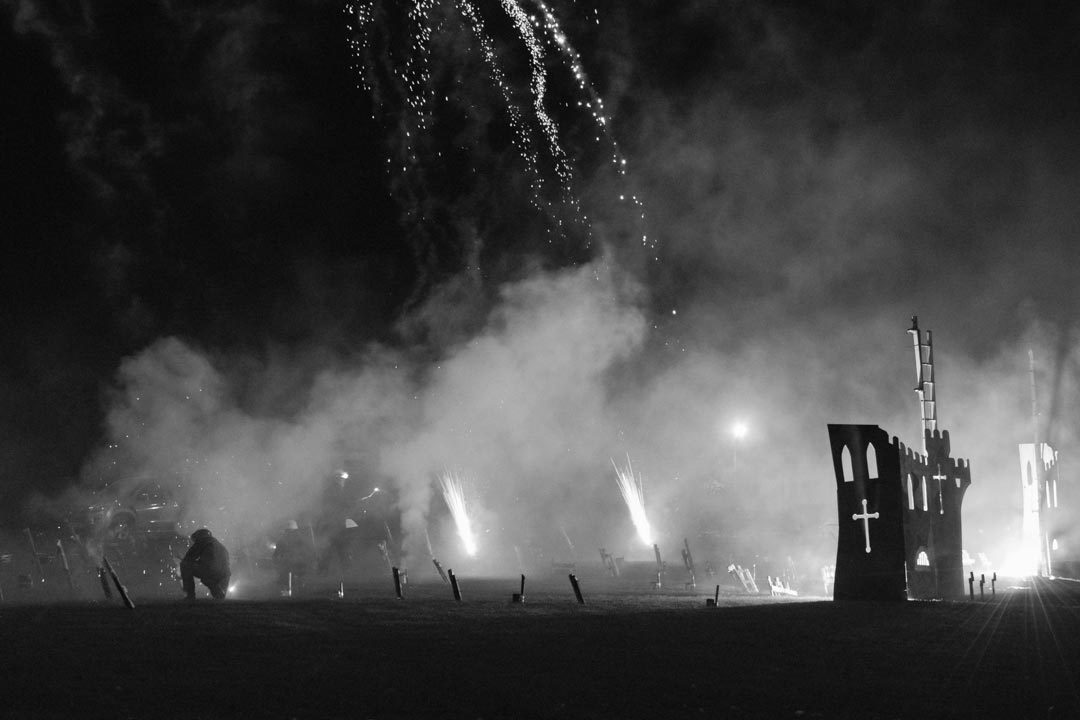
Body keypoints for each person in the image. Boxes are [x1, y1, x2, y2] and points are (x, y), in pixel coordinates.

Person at [180, 528, 230, 600]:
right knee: (210, 582)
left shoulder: (203, 540)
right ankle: (218, 592)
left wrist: (183, 570)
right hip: (225, 575)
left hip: (210, 571)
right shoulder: (220, 546)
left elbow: (189, 558)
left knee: (185, 565)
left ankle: (190, 596)